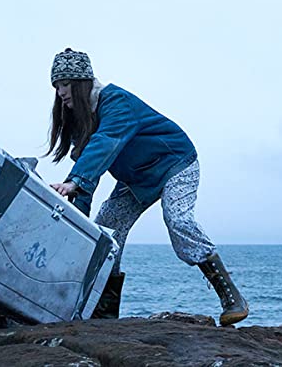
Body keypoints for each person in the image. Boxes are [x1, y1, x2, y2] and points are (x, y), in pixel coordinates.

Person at [45, 48, 250, 326]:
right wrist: (79, 222)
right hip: (137, 179)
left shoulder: (116, 102)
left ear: (81, 83)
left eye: (65, 84)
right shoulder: (82, 121)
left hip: (175, 163)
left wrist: (74, 181)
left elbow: (106, 142)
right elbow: (87, 176)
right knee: (105, 234)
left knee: (178, 220)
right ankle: (104, 317)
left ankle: (231, 297)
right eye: (57, 86)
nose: (61, 93)